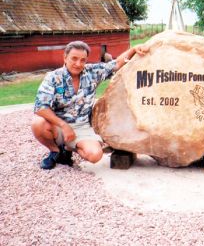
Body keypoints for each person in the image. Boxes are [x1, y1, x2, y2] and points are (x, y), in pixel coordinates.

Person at [31, 40, 149, 170]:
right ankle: (55, 151)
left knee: (95, 155)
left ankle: (68, 147)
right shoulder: (53, 77)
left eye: (82, 60)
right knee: (38, 123)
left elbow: (116, 64)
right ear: (65, 57)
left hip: (82, 126)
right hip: (58, 125)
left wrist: (133, 49)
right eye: (74, 59)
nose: (78, 64)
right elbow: (40, 107)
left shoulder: (92, 73)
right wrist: (64, 125)